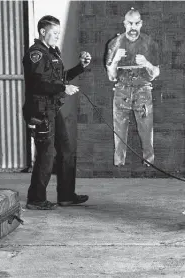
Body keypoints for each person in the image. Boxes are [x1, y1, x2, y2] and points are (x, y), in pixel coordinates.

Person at [22, 15, 92, 210]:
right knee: (46, 154)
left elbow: (60, 78)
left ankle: (66, 195)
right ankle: (36, 199)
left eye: (59, 34)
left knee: (66, 150)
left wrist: (80, 67)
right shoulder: (36, 54)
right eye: (54, 33)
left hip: (52, 108)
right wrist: (63, 88)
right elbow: (38, 83)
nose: (57, 37)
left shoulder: (52, 52)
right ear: (43, 32)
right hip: (40, 111)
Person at [104, 8, 160, 167]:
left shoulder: (150, 43)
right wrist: (115, 60)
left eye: (136, 23)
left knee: (146, 129)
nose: (133, 27)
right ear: (124, 24)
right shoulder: (115, 43)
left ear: (141, 24)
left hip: (143, 90)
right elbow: (111, 76)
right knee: (119, 131)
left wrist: (147, 64)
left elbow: (156, 72)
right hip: (121, 90)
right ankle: (118, 165)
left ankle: (149, 164)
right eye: (130, 23)